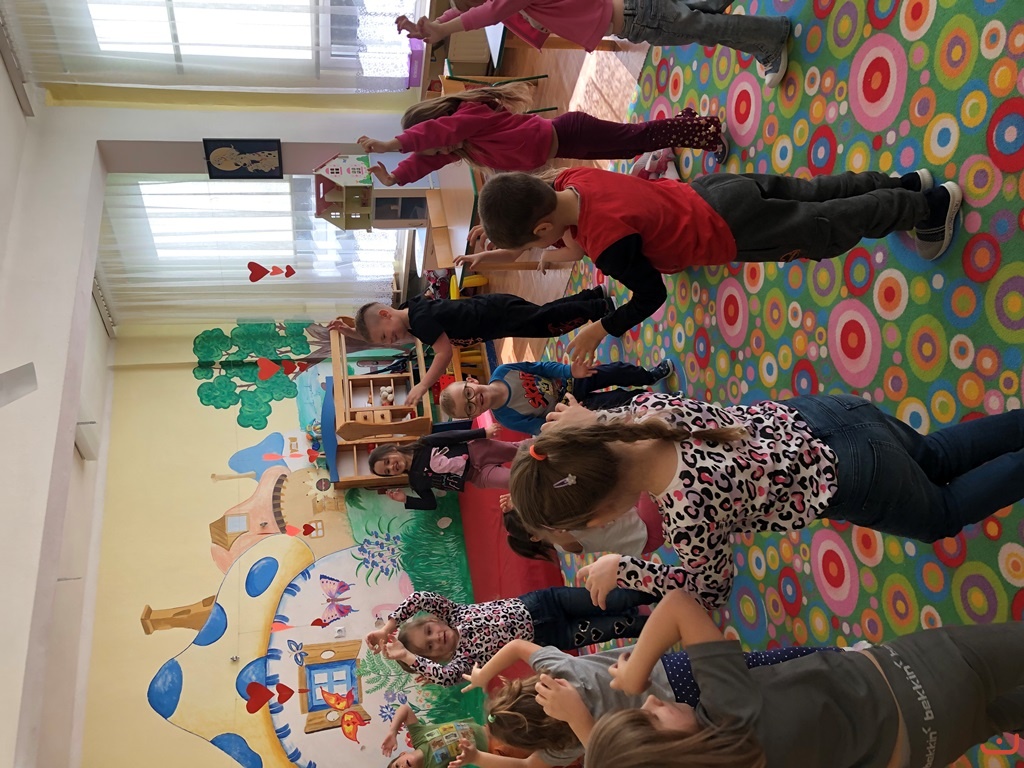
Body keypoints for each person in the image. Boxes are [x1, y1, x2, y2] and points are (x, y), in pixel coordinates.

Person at [508, 391, 1024, 609]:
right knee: (934, 454)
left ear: (602, 516)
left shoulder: (686, 513)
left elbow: (709, 591)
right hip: (831, 414)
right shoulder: (643, 410)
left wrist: (625, 569)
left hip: (855, 476)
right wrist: (592, 422)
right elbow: (602, 435)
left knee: (942, 514)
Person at [476, 168, 963, 364]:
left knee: (823, 226)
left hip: (730, 230)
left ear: (544, 228)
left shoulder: (608, 246)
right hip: (714, 190)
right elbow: (584, 231)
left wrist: (600, 328)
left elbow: (651, 296)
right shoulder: (572, 178)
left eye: (538, 241)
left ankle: (928, 207)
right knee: (812, 193)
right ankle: (900, 183)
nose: (547, 246)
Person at [584, 589, 1024, 768]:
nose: (650, 702)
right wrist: (636, 671)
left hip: (925, 751)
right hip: (924, 678)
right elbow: (678, 606)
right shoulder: (729, 715)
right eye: (651, 720)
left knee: (1007, 714)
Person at [451, 630, 841, 768]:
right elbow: (518, 646)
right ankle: (835, 657)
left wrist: (479, 759)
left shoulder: (567, 743)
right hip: (675, 674)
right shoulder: (559, 672)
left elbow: (528, 766)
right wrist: (484, 675)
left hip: (681, 720)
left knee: (758, 714)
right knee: (760, 667)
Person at [358, 83, 727, 187]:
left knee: (638, 137)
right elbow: (425, 159)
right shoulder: (461, 147)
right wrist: (394, 178)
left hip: (570, 130)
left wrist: (390, 145)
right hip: (569, 144)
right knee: (631, 144)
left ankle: (704, 131)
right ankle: (685, 123)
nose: (441, 152)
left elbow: (438, 133)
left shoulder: (469, 118)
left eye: (435, 144)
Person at [396, 0, 793, 89]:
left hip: (633, 16)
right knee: (698, 13)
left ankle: (770, 39)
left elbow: (488, 12)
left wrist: (444, 30)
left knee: (703, 28)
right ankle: (764, 35)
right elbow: (477, 9)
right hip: (631, 8)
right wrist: (435, 25)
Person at [329, 287, 613, 405]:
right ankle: (592, 295)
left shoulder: (419, 320)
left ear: (385, 314)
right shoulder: (410, 318)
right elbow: (394, 333)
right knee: (544, 314)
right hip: (496, 314)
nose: (390, 341)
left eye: (384, 336)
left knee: (546, 323)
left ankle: (599, 308)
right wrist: (352, 332)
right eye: (384, 341)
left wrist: (423, 386)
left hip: (497, 315)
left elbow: (444, 353)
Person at [366, 587, 656, 687]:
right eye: (429, 647)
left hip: (544, 602)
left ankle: (657, 587)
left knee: (611, 598)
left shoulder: (453, 613)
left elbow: (419, 598)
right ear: (435, 657)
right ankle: (660, 623)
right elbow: (445, 677)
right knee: (621, 626)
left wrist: (388, 628)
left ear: (433, 620)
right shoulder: (464, 660)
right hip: (553, 637)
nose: (436, 638)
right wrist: (407, 656)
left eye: (429, 631)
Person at [438, 357, 675, 435]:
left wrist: (569, 370)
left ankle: (650, 376)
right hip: (575, 407)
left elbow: (540, 367)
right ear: (475, 415)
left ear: (471, 381)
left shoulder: (503, 371)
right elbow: (543, 427)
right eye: (469, 407)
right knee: (621, 401)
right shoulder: (507, 418)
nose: (473, 400)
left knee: (615, 370)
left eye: (468, 393)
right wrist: (570, 418)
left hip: (573, 380)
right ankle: (665, 403)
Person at [369, 423, 521, 510]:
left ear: (392, 449)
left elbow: (452, 436)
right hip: (476, 476)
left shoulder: (423, 444)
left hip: (477, 451)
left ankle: (537, 445)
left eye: (387, 461)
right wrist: (406, 500)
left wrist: (483, 432)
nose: (392, 467)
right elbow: (430, 504)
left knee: (519, 451)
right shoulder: (416, 481)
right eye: (387, 472)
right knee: (515, 481)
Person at [501, 493, 665, 562]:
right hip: (645, 532)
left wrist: (518, 498)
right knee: (649, 475)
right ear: (535, 537)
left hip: (634, 513)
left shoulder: (556, 521)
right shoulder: (564, 541)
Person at [383, 703, 489, 768]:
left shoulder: (418, 737)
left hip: (487, 727)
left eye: (397, 766)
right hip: (492, 748)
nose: (402, 767)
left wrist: (393, 732)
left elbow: (404, 709)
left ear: (402, 754)